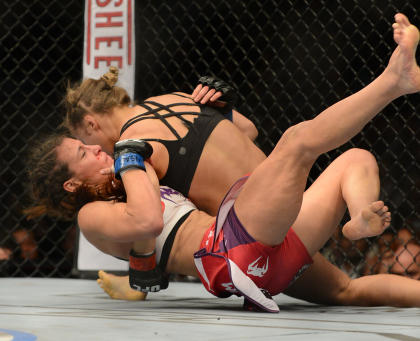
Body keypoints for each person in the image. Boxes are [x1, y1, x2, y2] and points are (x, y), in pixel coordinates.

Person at [26, 13, 420, 311]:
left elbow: (146, 239)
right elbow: (146, 224)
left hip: (261, 231)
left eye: (86, 143)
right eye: (83, 151)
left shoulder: (131, 162)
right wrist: (133, 161)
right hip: (239, 248)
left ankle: (358, 219)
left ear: (91, 122)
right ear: (70, 185)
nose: (96, 150)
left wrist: (139, 278)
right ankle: (393, 82)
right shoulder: (100, 203)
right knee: (299, 140)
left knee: (344, 284)